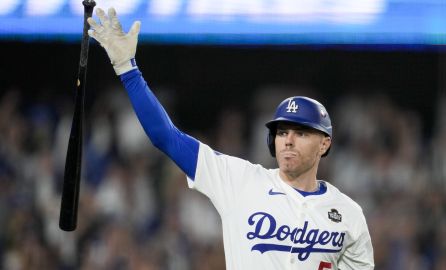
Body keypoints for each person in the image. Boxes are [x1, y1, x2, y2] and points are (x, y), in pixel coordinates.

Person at [87, 7, 374, 270]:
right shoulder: (240, 181)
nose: (288, 140)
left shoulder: (348, 214)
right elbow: (166, 137)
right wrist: (128, 69)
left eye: (301, 133)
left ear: (324, 143)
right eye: (282, 132)